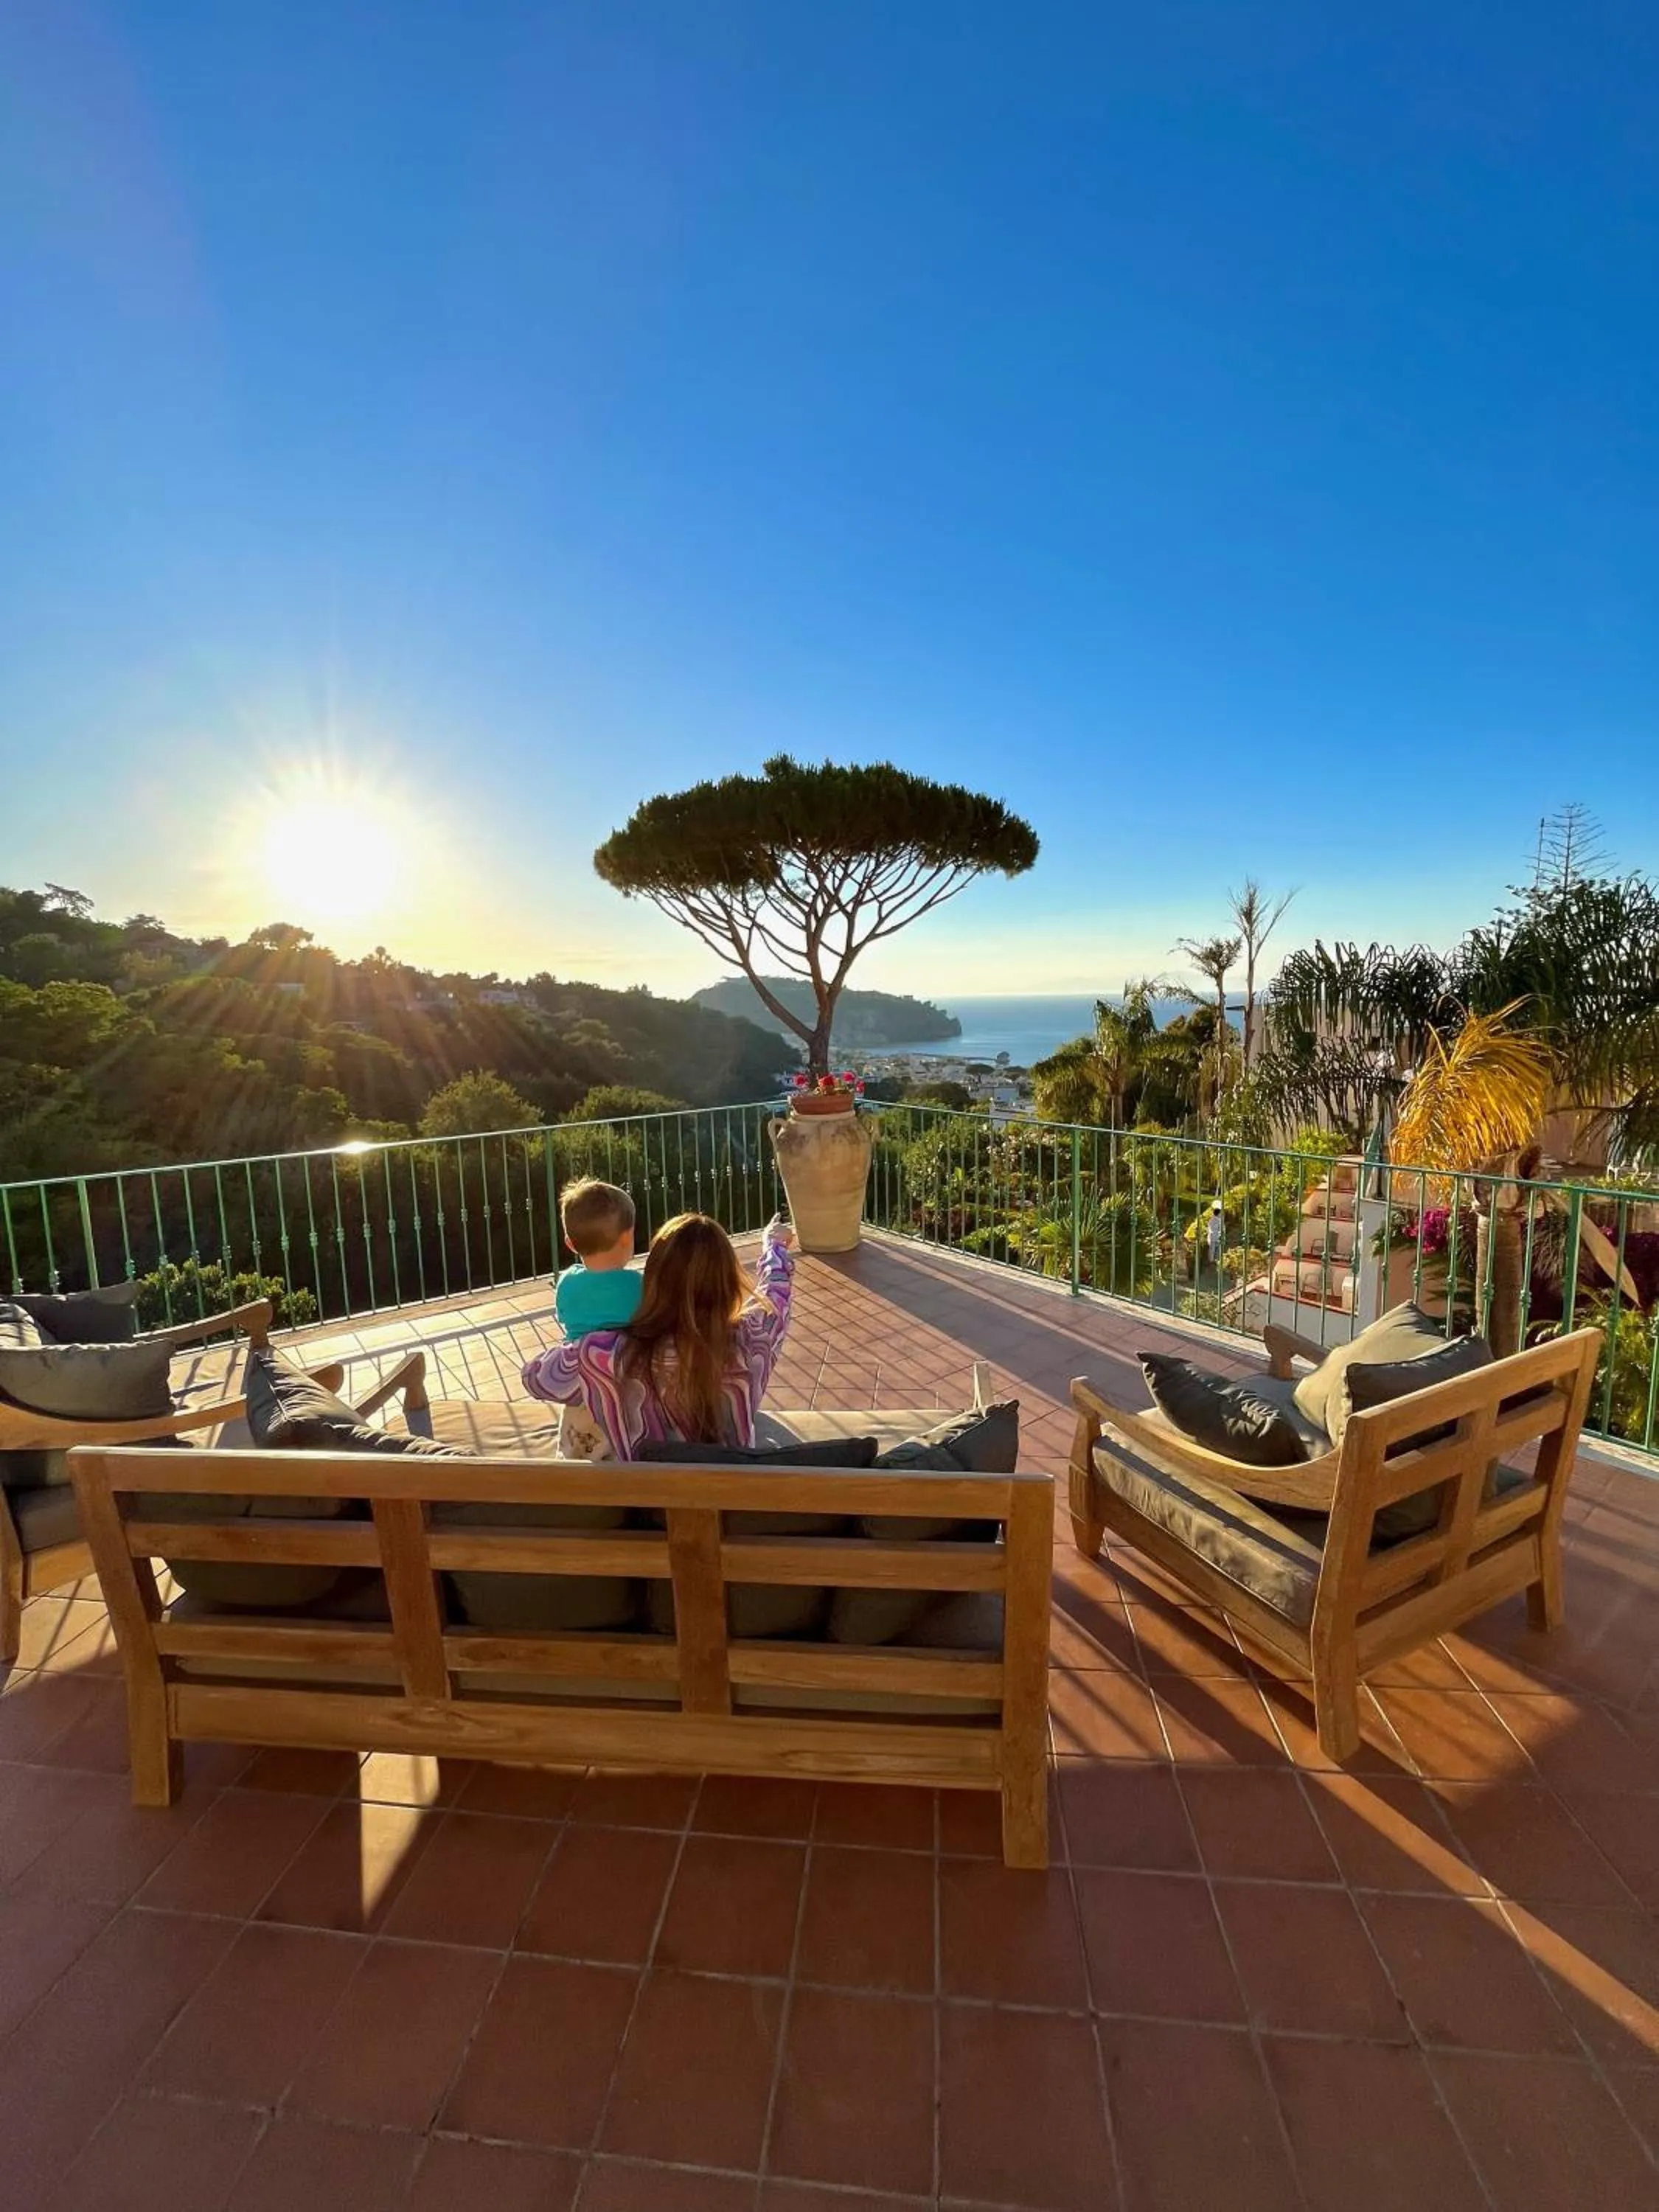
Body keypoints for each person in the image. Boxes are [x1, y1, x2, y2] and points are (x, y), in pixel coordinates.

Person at [523, 1210, 796, 1459]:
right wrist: (773, 1245)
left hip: (642, 1496)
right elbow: (776, 1291)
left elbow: (534, 1379)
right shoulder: (754, 1337)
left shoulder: (601, 1353)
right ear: (728, 1283)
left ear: (652, 1279)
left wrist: (581, 1342)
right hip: (725, 1491)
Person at [554, 1178, 642, 1338]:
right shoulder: (638, 1283)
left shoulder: (566, 1282)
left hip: (578, 1353)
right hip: (625, 1353)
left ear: (570, 1244)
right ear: (627, 1237)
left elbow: (563, 1317)